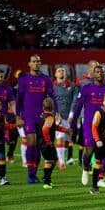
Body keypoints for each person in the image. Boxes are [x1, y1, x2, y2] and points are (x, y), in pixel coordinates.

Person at [69, 65, 105, 186]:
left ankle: (100, 178)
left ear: (104, 74)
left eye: (101, 72)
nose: (99, 74)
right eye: (97, 72)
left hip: (104, 126)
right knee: (88, 150)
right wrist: (72, 125)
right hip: (89, 124)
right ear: (94, 74)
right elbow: (78, 107)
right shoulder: (86, 88)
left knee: (103, 152)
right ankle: (85, 168)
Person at [17, 55, 58, 184]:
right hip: (28, 117)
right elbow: (19, 99)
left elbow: (51, 97)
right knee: (32, 143)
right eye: (33, 61)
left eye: (38, 61)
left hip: (42, 117)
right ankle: (31, 174)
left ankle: (34, 175)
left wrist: (56, 112)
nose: (36, 63)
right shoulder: (24, 80)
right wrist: (18, 116)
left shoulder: (46, 79)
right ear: (29, 64)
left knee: (40, 146)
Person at [39, 98, 72, 189]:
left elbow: (54, 127)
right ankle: (46, 181)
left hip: (42, 142)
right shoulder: (49, 117)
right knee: (50, 160)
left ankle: (47, 178)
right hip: (46, 143)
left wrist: (65, 130)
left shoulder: (43, 115)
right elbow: (45, 129)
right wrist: (49, 142)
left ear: (43, 107)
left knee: (53, 159)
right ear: (53, 107)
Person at [52, 67, 75, 168]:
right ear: (55, 75)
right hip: (57, 117)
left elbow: (75, 101)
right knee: (60, 138)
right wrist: (54, 113)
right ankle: (61, 161)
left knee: (67, 140)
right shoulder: (52, 86)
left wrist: (72, 115)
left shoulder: (72, 86)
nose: (61, 72)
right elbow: (49, 101)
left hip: (68, 118)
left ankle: (61, 157)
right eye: (59, 70)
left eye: (63, 70)